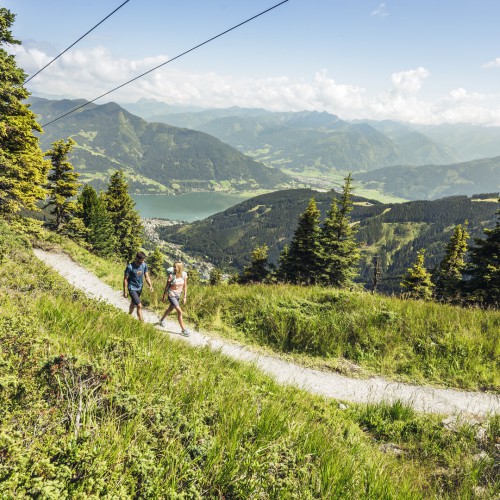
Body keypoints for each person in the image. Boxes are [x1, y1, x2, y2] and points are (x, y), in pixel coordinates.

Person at [160, 260, 190, 336]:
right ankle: (183, 330)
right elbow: (167, 287)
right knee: (179, 311)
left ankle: (162, 319)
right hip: (171, 294)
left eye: (175, 267)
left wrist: (185, 297)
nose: (173, 268)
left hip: (178, 295)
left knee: (170, 309)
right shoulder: (171, 276)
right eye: (173, 266)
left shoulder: (184, 275)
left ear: (180, 268)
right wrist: (164, 296)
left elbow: (185, 286)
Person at [123, 251, 153, 321]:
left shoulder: (144, 265)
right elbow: (125, 279)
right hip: (132, 288)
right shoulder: (130, 267)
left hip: (139, 288)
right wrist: (125, 291)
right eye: (141, 260)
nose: (142, 262)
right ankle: (141, 322)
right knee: (139, 305)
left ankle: (128, 316)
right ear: (136, 258)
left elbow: (146, 276)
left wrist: (150, 285)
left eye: (143, 260)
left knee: (133, 303)